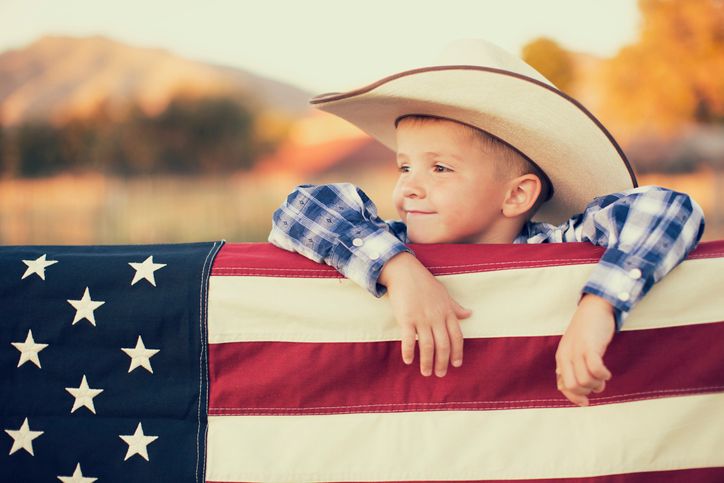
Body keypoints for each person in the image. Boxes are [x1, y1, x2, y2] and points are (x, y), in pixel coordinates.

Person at [267, 39, 705, 407]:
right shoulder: (388, 244)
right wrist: (399, 271)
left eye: (439, 169)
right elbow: (300, 207)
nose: (410, 188)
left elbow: (667, 210)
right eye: (404, 168)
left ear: (516, 195)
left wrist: (599, 307)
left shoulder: (556, 248)